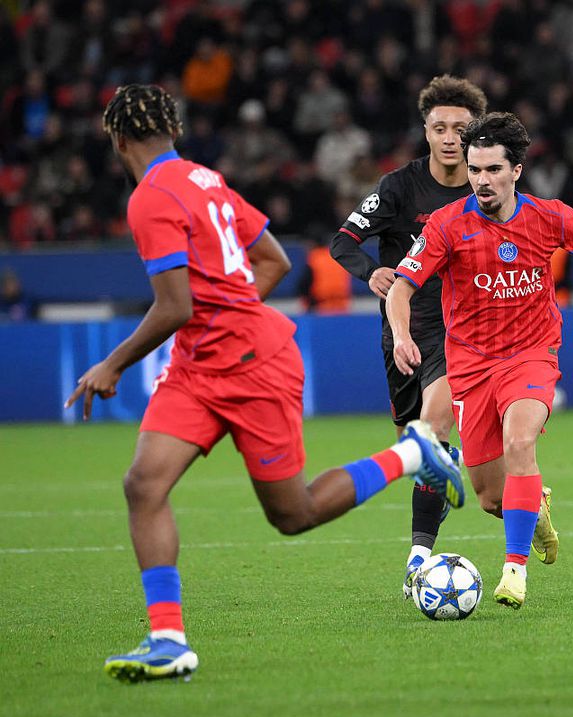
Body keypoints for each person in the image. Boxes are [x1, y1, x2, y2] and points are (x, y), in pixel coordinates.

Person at [67, 85, 463, 683]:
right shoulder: (206, 180)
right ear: (173, 131)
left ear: (118, 141)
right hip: (200, 364)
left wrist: (113, 364)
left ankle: (412, 454)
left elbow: (174, 306)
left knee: (293, 513)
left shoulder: (149, 196)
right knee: (143, 484)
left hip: (252, 363)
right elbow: (274, 260)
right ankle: (168, 640)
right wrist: (227, 312)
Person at [386, 112, 573, 609]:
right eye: (474, 170)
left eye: (493, 169)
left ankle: (515, 572)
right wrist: (401, 335)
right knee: (491, 498)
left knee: (520, 440)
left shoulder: (550, 216)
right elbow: (400, 288)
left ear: (516, 171)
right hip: (470, 366)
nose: (482, 180)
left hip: (532, 355)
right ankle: (537, 508)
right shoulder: (447, 224)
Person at [331, 76, 519, 598]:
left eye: (461, 128)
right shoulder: (398, 187)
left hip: (460, 331)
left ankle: (417, 559)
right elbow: (342, 241)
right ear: (426, 131)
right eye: (440, 128)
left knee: (432, 430)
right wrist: (370, 271)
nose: (450, 138)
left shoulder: (488, 187)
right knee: (415, 451)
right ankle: (473, 478)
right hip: (403, 328)